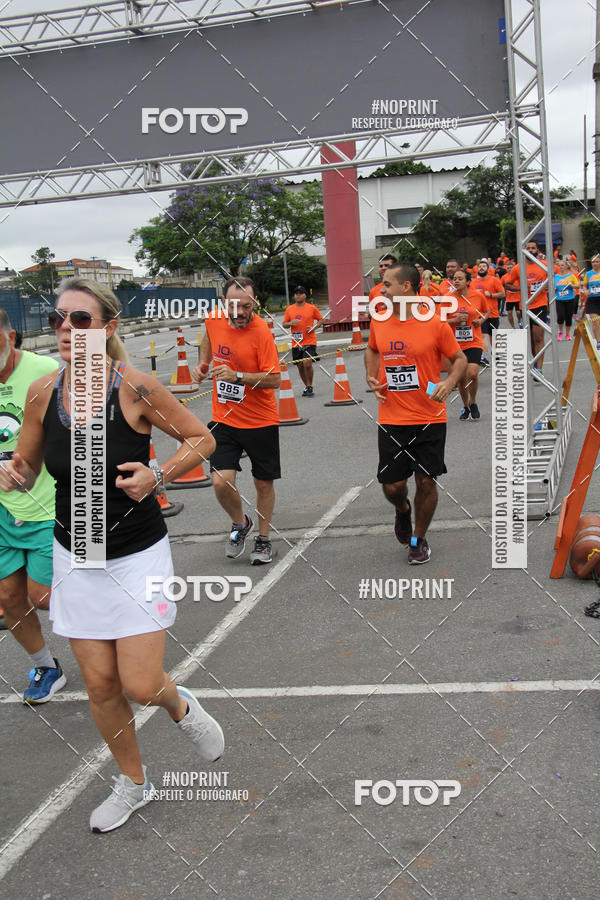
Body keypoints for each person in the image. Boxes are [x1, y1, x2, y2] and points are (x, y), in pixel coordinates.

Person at [0, 277, 223, 833]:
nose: (68, 330)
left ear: (108, 328)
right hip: (74, 554)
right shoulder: (43, 393)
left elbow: (202, 439)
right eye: (59, 320)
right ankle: (134, 783)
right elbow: (24, 465)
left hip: (136, 554)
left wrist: (159, 473)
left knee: (142, 684)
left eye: (82, 320)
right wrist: (10, 471)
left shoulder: (134, 386)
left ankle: (180, 707)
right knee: (99, 685)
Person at [364, 262, 466, 565]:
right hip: (392, 418)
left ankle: (418, 539)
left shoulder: (434, 324)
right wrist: (372, 376)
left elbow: (458, 358)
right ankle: (403, 510)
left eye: (387, 285)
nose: (381, 290)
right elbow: (371, 349)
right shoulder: (379, 321)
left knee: (426, 481)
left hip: (429, 417)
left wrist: (449, 381)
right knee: (393, 486)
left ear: (406, 287)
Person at [0, 309, 66, 703]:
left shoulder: (45, 370)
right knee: (9, 597)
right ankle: (46, 666)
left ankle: (116, 632)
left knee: (43, 595)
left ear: (10, 336)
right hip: (2, 512)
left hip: (46, 505)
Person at [192, 276, 281, 565]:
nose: (240, 312)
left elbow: (275, 379)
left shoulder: (261, 333)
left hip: (260, 420)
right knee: (220, 482)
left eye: (247, 306)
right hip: (224, 418)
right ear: (223, 304)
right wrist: (204, 363)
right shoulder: (214, 319)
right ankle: (240, 523)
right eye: (234, 306)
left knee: (263, 483)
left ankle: (264, 539)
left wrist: (238, 376)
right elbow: (208, 337)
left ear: (255, 303)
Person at [503, 240, 555, 371]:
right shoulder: (518, 268)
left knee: (538, 337)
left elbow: (552, 282)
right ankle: (536, 362)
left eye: (533, 248)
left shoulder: (544, 265)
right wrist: (521, 288)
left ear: (537, 250)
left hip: (540, 304)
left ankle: (539, 369)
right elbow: (507, 284)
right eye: (528, 248)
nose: (531, 250)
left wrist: (546, 287)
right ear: (524, 250)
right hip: (525, 306)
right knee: (531, 339)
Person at [446, 269, 489, 420]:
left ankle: (473, 401)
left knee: (472, 374)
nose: (456, 281)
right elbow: (439, 320)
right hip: (455, 344)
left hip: (473, 341)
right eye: (454, 279)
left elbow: (486, 311)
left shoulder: (477, 296)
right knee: (461, 378)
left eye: (460, 279)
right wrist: (454, 320)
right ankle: (465, 406)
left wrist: (480, 320)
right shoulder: (447, 299)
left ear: (468, 282)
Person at [282, 286, 323, 396]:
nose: (298, 295)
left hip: (310, 340)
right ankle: (307, 386)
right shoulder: (289, 309)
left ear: (305, 295)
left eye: (300, 293)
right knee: (300, 366)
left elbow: (321, 320)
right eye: (296, 293)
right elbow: (284, 324)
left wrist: (314, 327)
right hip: (296, 342)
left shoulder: (312, 308)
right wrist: (291, 323)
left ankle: (310, 385)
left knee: (307, 363)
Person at [471, 259, 504, 365]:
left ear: (488, 269)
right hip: (480, 314)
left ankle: (496, 354)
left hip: (493, 312)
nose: (481, 268)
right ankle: (484, 356)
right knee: (483, 335)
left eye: (484, 266)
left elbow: (502, 294)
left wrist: (491, 295)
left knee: (493, 335)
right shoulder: (473, 282)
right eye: (480, 266)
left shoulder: (494, 280)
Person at [554, 258, 579, 340]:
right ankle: (560, 332)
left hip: (570, 299)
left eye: (562, 265)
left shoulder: (571, 276)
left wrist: (572, 285)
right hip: (559, 300)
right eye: (559, 265)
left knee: (568, 318)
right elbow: (552, 287)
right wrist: (553, 289)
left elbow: (578, 286)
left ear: (566, 266)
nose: (560, 267)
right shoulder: (556, 277)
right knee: (560, 317)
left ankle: (567, 334)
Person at [583, 254, 600, 347]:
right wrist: (586, 291)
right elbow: (585, 286)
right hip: (592, 301)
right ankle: (598, 341)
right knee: (595, 322)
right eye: (593, 262)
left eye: (597, 261)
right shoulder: (588, 274)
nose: (595, 264)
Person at [502, 260, 522, 329]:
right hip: (509, 299)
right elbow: (500, 286)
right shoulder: (504, 277)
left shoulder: (517, 275)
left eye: (511, 268)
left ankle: (519, 321)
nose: (510, 269)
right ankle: (513, 327)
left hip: (518, 298)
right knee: (509, 313)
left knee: (518, 313)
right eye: (508, 268)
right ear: (506, 269)